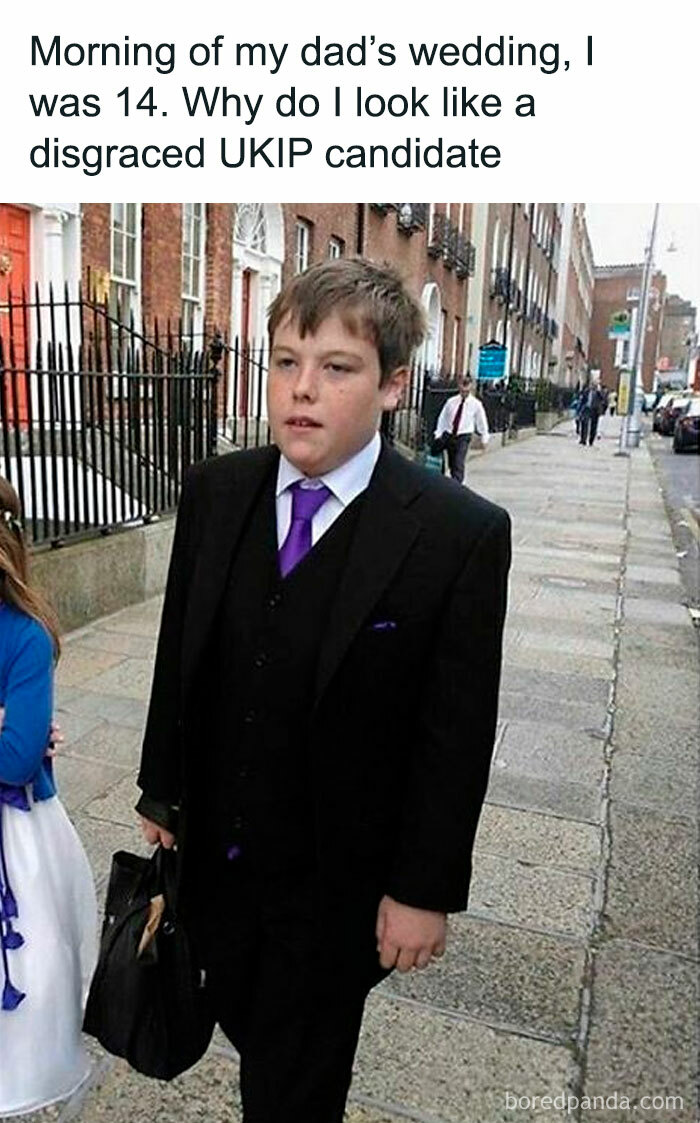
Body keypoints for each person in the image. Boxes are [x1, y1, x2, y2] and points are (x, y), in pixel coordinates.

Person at [136, 258, 511, 1123]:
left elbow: (454, 733)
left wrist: (423, 889)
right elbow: (180, 649)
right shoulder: (218, 491)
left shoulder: (456, 534)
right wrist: (163, 784)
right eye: (284, 361)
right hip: (217, 869)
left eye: (336, 367)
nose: (302, 390)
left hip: (333, 889)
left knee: (296, 1085)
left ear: (391, 385)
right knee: (236, 1027)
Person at [0, 477, 97, 1118]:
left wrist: (18, 735)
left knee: (32, 969)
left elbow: (16, 756)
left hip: (17, 834)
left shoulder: (24, 636)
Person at [433, 374, 490, 482]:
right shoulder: (451, 402)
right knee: (452, 462)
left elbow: (481, 421)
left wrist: (484, 437)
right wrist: (438, 433)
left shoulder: (476, 404)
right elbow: (443, 418)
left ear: (471, 389)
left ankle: (458, 485)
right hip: (450, 433)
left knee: (459, 461)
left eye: (467, 392)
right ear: (459, 388)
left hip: (464, 435)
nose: (464, 394)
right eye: (462, 391)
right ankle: (455, 480)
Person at [579, 381, 605, 446]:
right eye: (592, 385)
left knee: (593, 426)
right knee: (584, 424)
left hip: (595, 411)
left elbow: (603, 398)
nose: (593, 386)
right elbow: (582, 400)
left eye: (595, 385)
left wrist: (599, 391)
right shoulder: (586, 391)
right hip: (586, 409)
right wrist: (580, 410)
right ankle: (583, 440)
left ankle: (591, 440)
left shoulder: (598, 393)